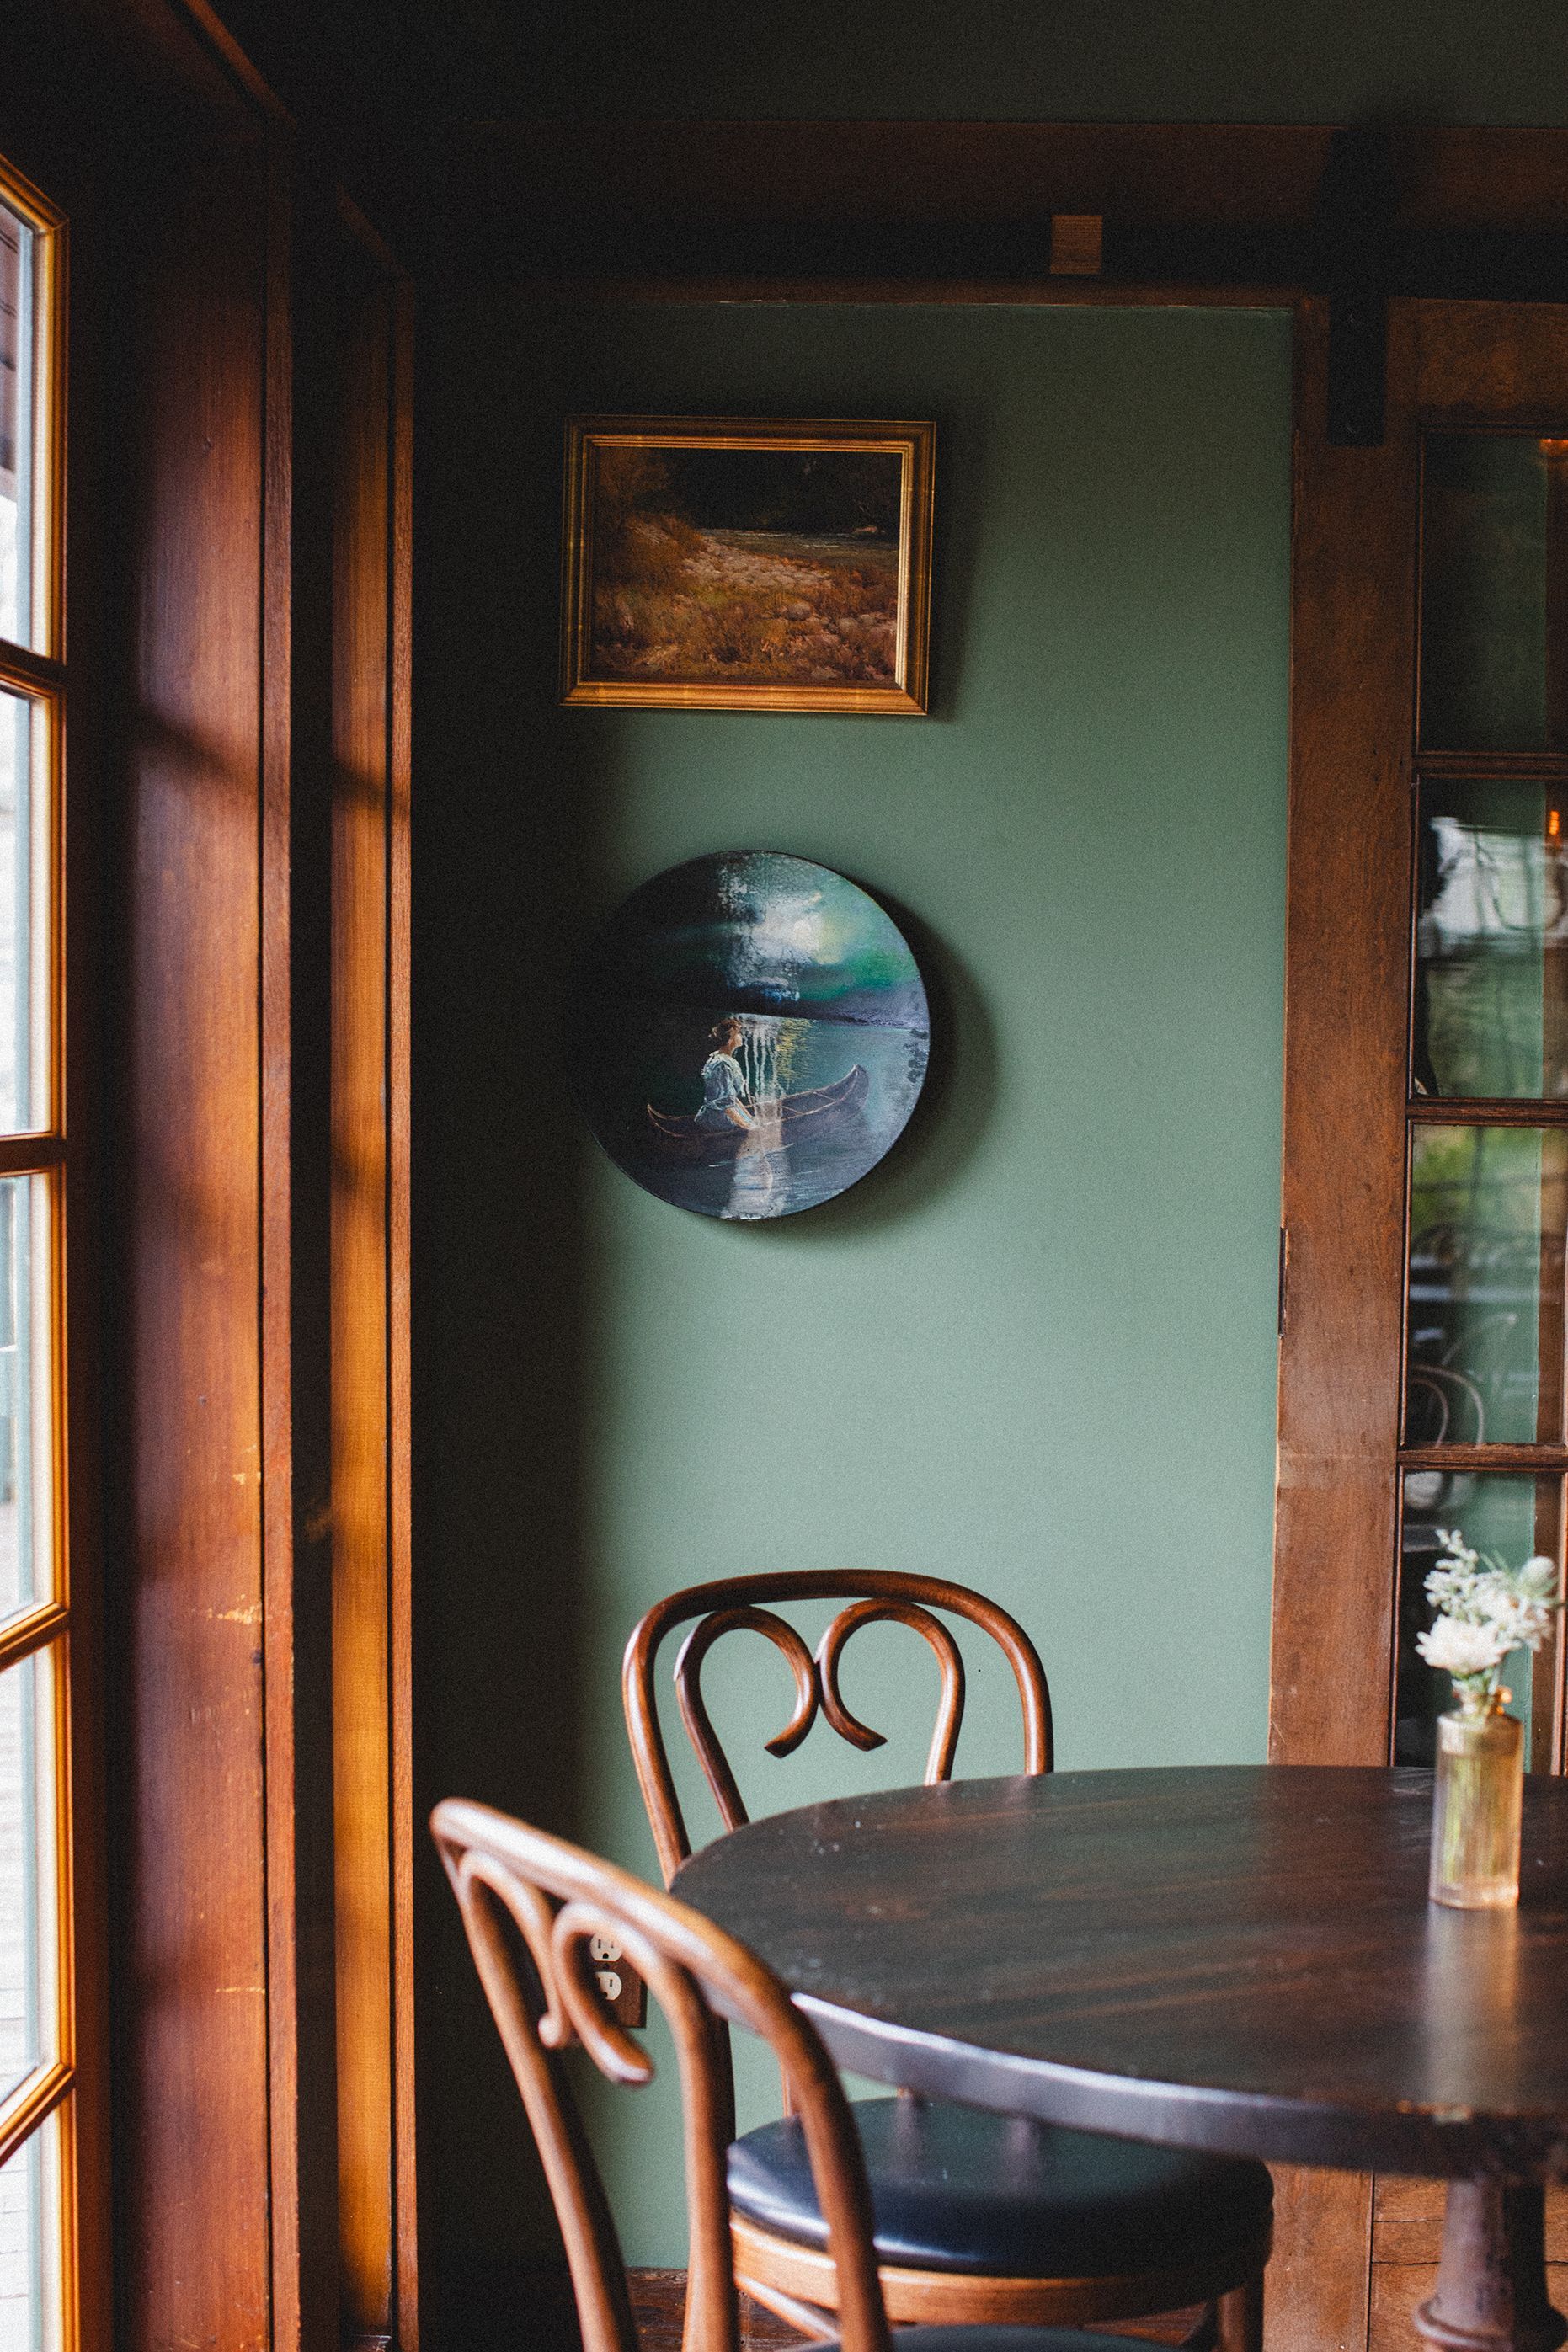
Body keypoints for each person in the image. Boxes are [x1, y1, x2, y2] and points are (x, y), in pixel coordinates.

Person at [694, 1018, 756, 1133]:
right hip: (718, 1117)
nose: (741, 1037)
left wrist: (750, 1118)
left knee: (754, 1122)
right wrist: (747, 1126)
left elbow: (732, 1099)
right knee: (752, 1128)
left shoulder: (726, 1060)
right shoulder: (722, 1065)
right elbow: (726, 1104)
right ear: (730, 1040)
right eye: (738, 1034)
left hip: (726, 1110)